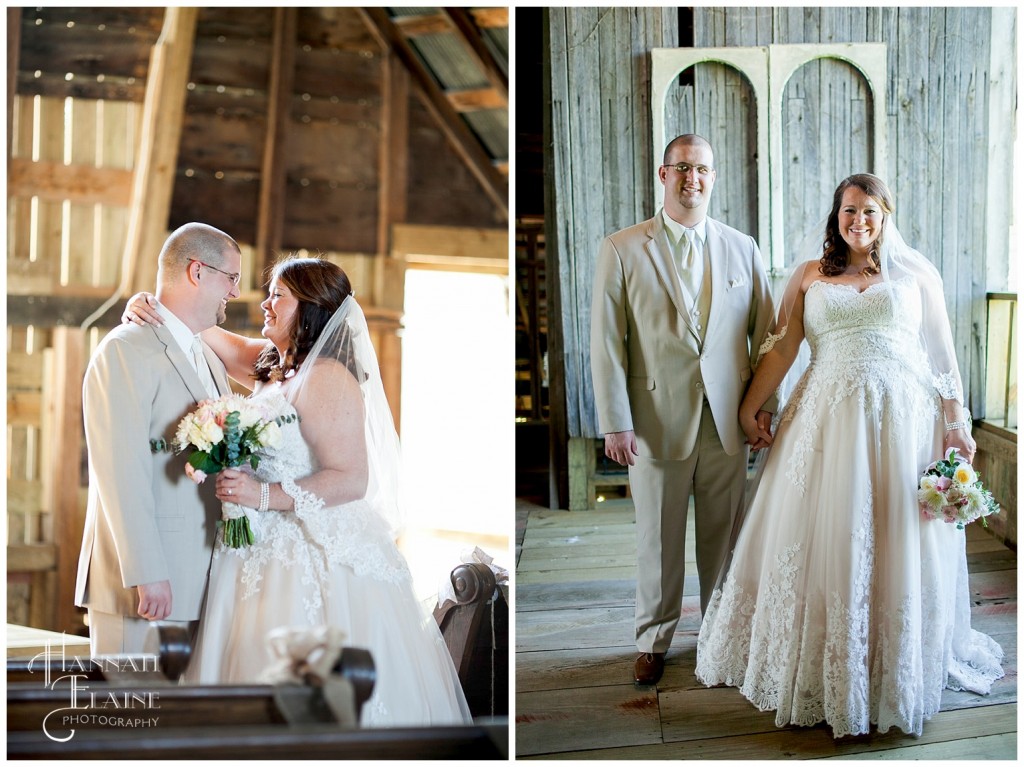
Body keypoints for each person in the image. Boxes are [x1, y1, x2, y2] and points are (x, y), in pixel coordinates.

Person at [694, 173, 1004, 737]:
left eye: (869, 212)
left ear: (886, 217)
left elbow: (941, 352)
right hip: (826, 420)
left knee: (892, 537)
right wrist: (750, 408)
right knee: (830, 536)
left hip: (902, 426)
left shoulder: (913, 275)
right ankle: (821, 665)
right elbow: (784, 345)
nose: (858, 221)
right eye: (848, 211)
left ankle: (891, 667)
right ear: (835, 216)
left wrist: (957, 423)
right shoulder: (811, 275)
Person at [123, 257, 471, 726]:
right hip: (253, 550)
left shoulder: (327, 377)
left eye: (277, 295)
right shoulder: (271, 365)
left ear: (308, 308)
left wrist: (262, 496)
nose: (264, 303)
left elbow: (350, 479)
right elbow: (201, 327)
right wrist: (151, 305)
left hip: (313, 554)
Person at [590, 134, 777, 686]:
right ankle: (653, 639)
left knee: (723, 538)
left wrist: (761, 410)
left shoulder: (743, 248)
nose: (692, 178)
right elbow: (606, 342)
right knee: (659, 539)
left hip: (727, 420)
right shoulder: (623, 248)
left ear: (712, 177)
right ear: (662, 174)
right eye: (682, 168)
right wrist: (615, 421)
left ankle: (718, 635)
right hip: (652, 422)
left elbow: (767, 336)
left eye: (702, 169)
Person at [76, 222, 242, 656]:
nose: (236, 292)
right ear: (197, 271)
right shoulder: (125, 349)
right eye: (232, 278)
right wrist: (146, 570)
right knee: (130, 717)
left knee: (175, 722)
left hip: (201, 576)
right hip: (145, 585)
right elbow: (119, 469)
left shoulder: (208, 355)